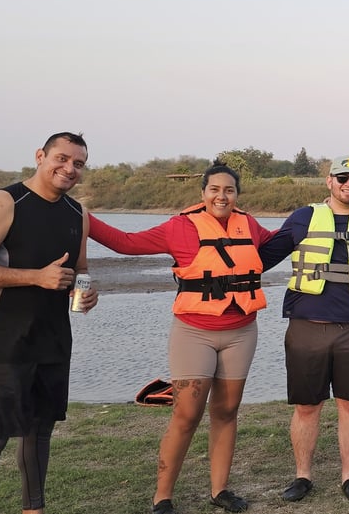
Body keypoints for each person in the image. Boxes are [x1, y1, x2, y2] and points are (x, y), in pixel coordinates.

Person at [87, 161, 275, 514]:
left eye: (229, 190)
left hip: (241, 332)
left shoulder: (248, 224)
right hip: (195, 333)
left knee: (227, 410)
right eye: (215, 189)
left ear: (237, 195)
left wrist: (314, 220)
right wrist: (84, 218)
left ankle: (220, 489)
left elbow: (280, 243)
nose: (222, 196)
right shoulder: (179, 227)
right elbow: (125, 243)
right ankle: (163, 496)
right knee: (187, 414)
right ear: (203, 193)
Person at [0, 132, 99, 514]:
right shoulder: (5, 201)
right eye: (62, 158)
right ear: (40, 156)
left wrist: (83, 294)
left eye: (78, 163)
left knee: (40, 432)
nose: (69, 168)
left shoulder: (77, 213)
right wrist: (36, 277)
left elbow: (79, 269)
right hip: (1, 342)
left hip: (51, 341)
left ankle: (34, 510)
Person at [256, 155, 349, 503]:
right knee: (307, 406)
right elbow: (263, 258)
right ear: (329, 181)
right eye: (342, 178)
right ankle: (302, 476)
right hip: (307, 325)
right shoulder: (303, 218)